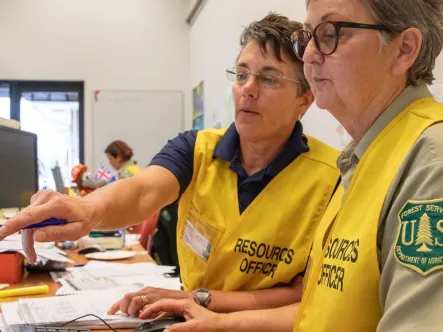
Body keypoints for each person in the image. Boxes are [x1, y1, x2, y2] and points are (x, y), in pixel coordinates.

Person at [84, 0, 443, 331]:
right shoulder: (362, 159)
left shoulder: (427, 160)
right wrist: (85, 210)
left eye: (331, 34)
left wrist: (213, 311)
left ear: (405, 49)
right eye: (310, 37)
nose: (312, 54)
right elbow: (321, 304)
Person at [0, 13, 339, 321]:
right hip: (188, 315)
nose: (247, 90)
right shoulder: (196, 149)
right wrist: (87, 208)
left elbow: (306, 295)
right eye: (241, 75)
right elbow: (144, 190)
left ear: (304, 99)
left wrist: (199, 300)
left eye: (269, 79)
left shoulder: (331, 177)